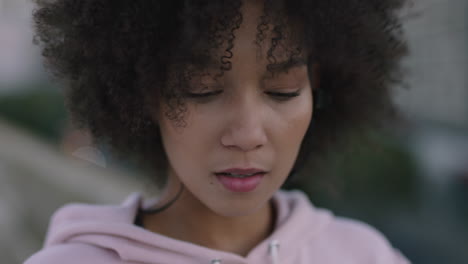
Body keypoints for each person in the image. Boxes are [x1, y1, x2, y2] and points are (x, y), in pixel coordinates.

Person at [25, 0, 411, 263]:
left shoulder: (364, 254)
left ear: (317, 86)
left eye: (283, 91)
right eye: (203, 90)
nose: (247, 134)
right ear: (145, 94)